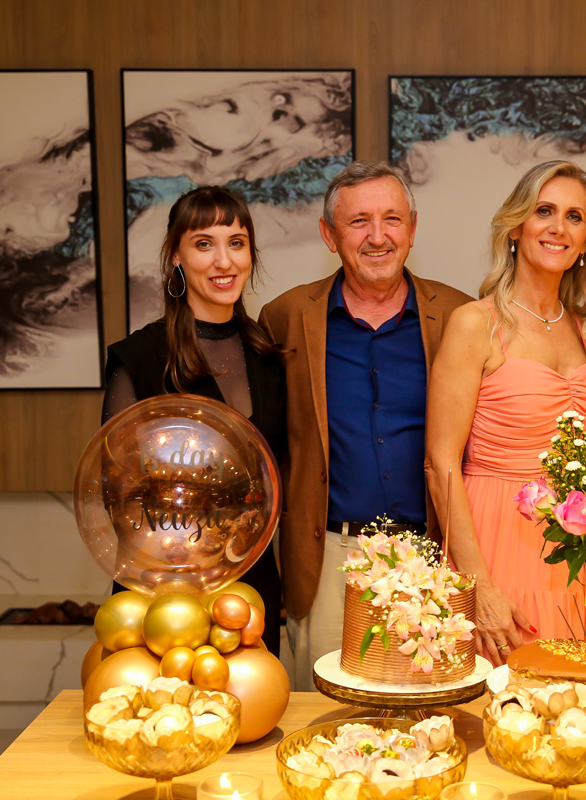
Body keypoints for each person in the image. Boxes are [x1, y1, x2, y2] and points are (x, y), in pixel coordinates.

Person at [258, 161, 471, 691]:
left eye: (392, 219)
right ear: (329, 235)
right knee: (327, 714)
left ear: (412, 229)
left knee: (429, 710)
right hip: (330, 559)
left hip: (433, 555)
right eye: (358, 222)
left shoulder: (460, 316)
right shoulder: (285, 318)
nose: (378, 236)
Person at [425, 160, 586, 666]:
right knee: (503, 701)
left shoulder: (583, 329)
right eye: (543, 211)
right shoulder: (475, 323)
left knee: (574, 704)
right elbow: (440, 462)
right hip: (496, 545)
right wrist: (478, 586)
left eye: (574, 216)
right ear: (515, 227)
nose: (558, 227)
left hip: (573, 559)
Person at [102, 185, 286, 657]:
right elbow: (117, 489)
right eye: (204, 244)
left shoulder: (270, 357)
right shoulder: (140, 357)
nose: (224, 261)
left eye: (236, 242)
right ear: (176, 256)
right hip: (161, 590)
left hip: (250, 588)